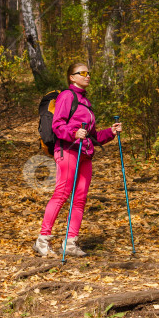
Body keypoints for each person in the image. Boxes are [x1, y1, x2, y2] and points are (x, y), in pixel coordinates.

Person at [34, 62, 122, 257]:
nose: (87, 75)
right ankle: (42, 240)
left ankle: (70, 243)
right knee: (62, 193)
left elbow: (92, 136)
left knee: (80, 199)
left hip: (85, 153)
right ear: (72, 77)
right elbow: (57, 126)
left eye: (88, 72)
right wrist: (74, 133)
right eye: (82, 73)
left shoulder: (86, 102)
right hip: (68, 150)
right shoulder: (67, 96)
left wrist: (111, 132)